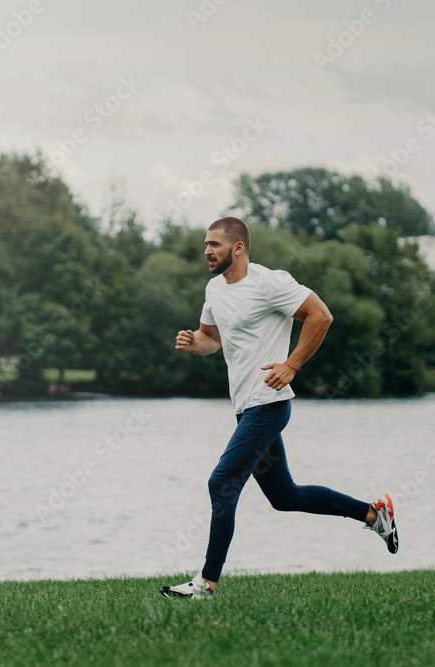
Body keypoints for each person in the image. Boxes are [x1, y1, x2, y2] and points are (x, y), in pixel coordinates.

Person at [160, 217, 398, 600]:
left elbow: (321, 316)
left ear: (238, 247)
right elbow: (212, 340)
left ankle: (206, 583)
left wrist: (292, 365)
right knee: (286, 496)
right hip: (246, 407)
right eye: (206, 244)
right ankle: (374, 515)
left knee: (221, 483)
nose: (207, 251)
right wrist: (193, 343)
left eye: (215, 245)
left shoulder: (270, 283)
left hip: (267, 405)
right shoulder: (214, 289)